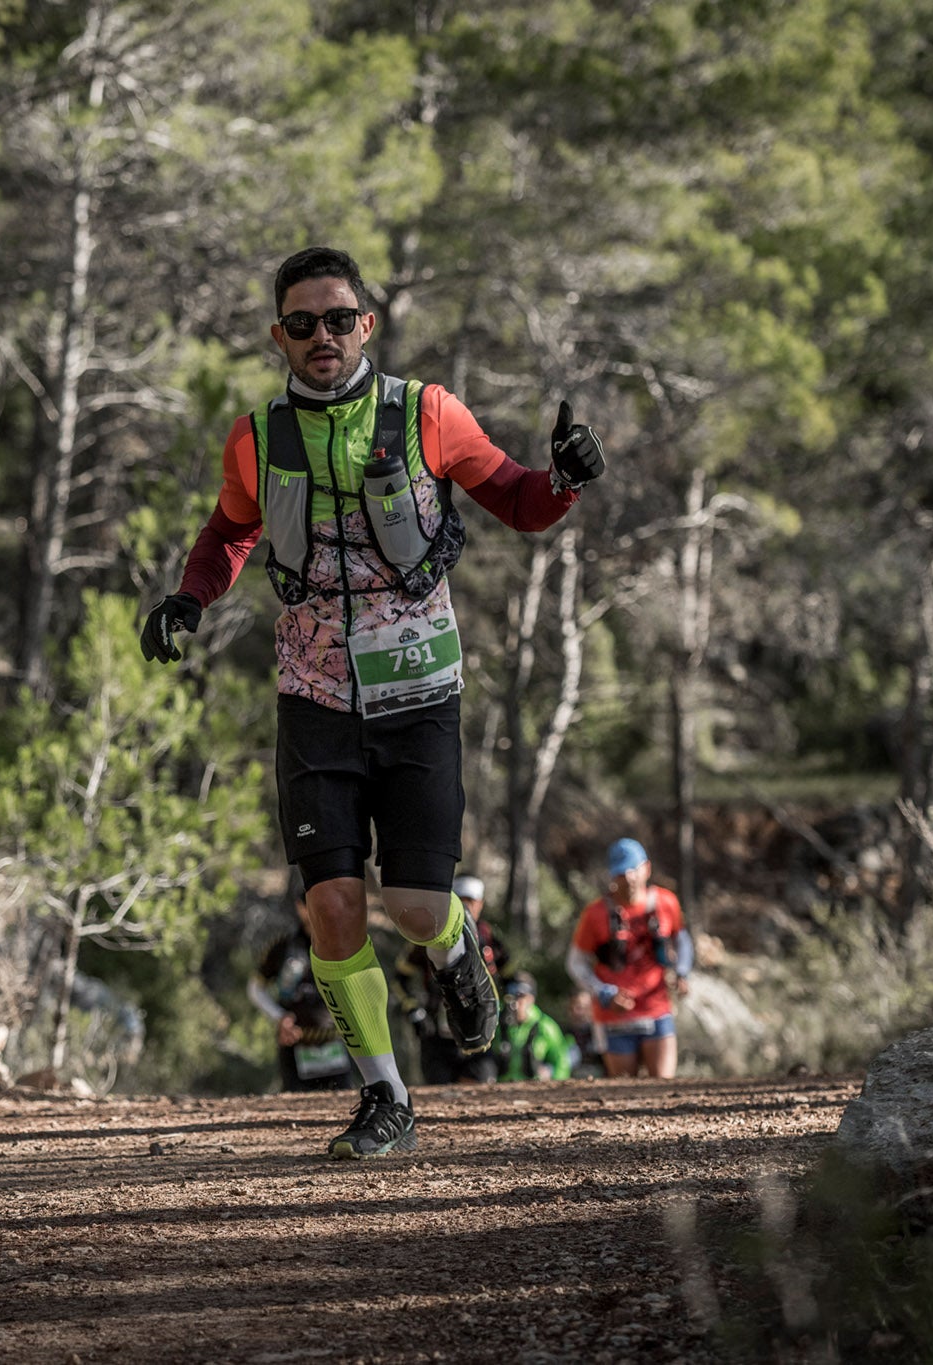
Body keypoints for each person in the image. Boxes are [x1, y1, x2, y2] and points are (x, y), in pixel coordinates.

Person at [140, 246, 606, 1157]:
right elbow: (230, 532)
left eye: (339, 318)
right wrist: (188, 599)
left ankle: (456, 949)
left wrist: (566, 479)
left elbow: (516, 498)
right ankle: (385, 1095)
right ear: (280, 335)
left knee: (418, 901)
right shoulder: (256, 437)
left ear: (368, 324)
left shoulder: (426, 412)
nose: (323, 336)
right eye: (303, 323)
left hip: (420, 690)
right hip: (311, 695)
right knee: (333, 904)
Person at [566, 838, 695, 1079]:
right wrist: (603, 992)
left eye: (633, 871)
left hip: (656, 1008)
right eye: (620, 874)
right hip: (614, 1017)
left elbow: (683, 940)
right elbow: (575, 962)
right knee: (625, 1092)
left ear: (646, 868)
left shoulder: (666, 903)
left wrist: (682, 971)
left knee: (663, 1086)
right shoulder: (596, 914)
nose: (628, 880)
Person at [250, 874, 357, 1092]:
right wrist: (280, 1018)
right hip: (295, 1048)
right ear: (300, 907)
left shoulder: (343, 944)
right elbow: (255, 989)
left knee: (344, 1107)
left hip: (337, 1045)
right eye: (311, 905)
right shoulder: (283, 947)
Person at [395, 873, 500, 1084]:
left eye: (471, 901)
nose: (466, 907)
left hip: (479, 1028)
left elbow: (512, 977)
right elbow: (399, 979)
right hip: (436, 1036)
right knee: (438, 1095)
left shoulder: (489, 938)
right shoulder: (428, 937)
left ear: (481, 904)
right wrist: (414, 1009)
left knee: (480, 1089)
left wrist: (506, 1014)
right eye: (461, 900)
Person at [498, 973, 576, 1082]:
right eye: (510, 997)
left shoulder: (546, 1026)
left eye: (520, 997)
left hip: (535, 1090)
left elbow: (562, 1061)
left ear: (531, 999)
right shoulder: (497, 1024)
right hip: (501, 1089)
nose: (514, 1003)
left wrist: (551, 1073)